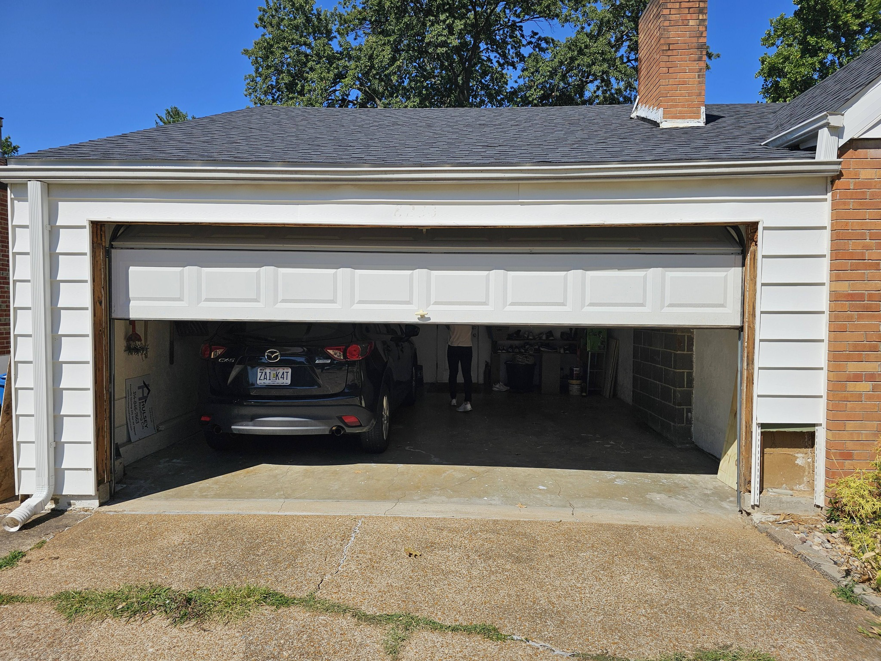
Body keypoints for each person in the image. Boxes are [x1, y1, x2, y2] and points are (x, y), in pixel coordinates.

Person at [447, 325, 473, 412]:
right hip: (467, 346)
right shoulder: (469, 316)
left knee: (453, 373)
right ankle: (467, 401)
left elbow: (447, 326)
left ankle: (453, 398)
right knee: (467, 374)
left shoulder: (452, 316)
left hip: (453, 346)